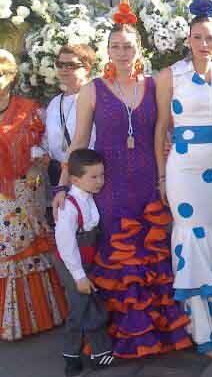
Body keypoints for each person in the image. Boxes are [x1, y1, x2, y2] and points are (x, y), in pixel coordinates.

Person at [53, 3, 192, 358]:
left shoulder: (153, 83)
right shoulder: (93, 90)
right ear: (108, 51)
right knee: (120, 258)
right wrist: (63, 185)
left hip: (148, 181)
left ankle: (156, 334)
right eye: (115, 46)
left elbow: (166, 130)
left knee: (152, 256)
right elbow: (80, 141)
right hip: (110, 186)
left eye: (128, 46)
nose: (122, 52)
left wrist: (167, 176)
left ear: (138, 50)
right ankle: (120, 337)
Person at [154, 0, 212, 358]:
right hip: (183, 168)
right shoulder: (171, 75)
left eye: (210, 37)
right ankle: (201, 331)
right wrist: (159, 173)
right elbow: (159, 129)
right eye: (197, 37)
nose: (204, 43)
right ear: (188, 39)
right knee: (192, 237)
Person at [0, 49, 68, 341]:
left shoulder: (30, 109)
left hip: (24, 190)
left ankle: (34, 317)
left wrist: (38, 164)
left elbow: (45, 147)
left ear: (12, 77)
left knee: (21, 247)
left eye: (2, 73)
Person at [54, 149, 113, 376]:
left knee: (91, 306)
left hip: (86, 261)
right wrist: (79, 276)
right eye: (94, 177)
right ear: (75, 179)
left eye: (102, 175)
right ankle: (72, 356)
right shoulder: (69, 206)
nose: (100, 181)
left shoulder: (89, 197)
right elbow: (67, 245)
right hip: (71, 265)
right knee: (80, 308)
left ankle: (100, 353)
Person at [44, 45, 97, 188]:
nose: (63, 69)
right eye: (60, 65)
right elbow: (47, 139)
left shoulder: (96, 98)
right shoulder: (55, 103)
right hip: (58, 174)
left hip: (87, 176)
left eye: (70, 65)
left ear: (87, 68)